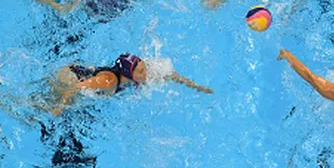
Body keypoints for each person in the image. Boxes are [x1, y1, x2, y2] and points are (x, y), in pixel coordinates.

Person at [51, 53, 213, 115]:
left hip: (89, 76)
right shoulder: (109, 81)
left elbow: (171, 75)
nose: (146, 73)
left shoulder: (141, 72)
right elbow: (75, 88)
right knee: (53, 106)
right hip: (69, 77)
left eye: (144, 68)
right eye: (141, 71)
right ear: (129, 74)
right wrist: (59, 107)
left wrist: (197, 87)